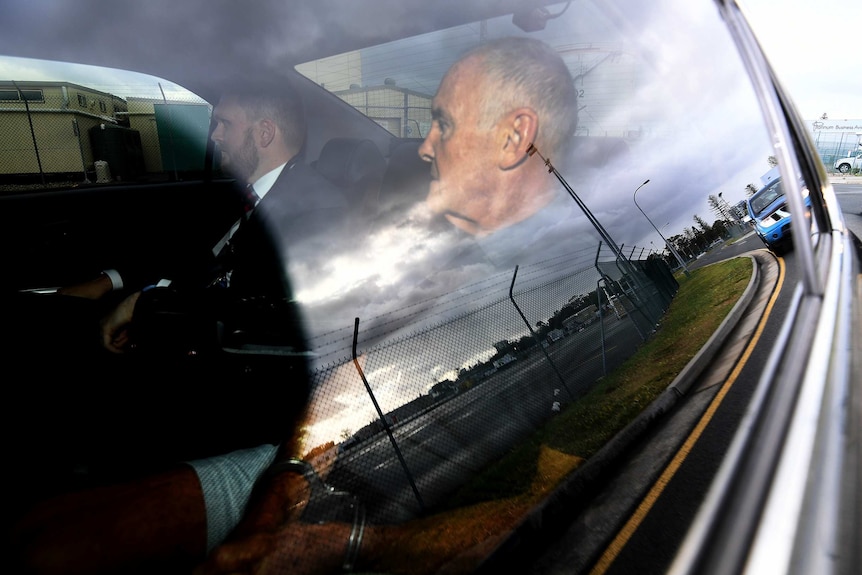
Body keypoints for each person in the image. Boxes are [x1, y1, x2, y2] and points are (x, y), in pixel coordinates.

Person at [192, 36, 580, 575]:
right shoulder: (431, 250)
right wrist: (278, 503)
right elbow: (353, 376)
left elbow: (566, 507)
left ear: (514, 137)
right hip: (333, 459)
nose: (424, 146)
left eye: (443, 123)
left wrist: (348, 546)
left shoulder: (566, 278)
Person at [7, 77, 352, 574]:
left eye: (223, 124)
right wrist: (117, 281)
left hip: (238, 384)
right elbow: (197, 260)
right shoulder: (255, 198)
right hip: (199, 347)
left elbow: (266, 313)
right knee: (46, 327)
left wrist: (149, 306)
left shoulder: (314, 210)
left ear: (264, 133)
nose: (214, 137)